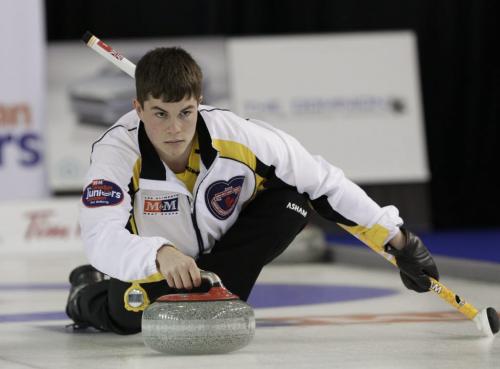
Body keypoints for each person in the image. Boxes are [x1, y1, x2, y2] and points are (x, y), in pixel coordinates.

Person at [66, 47, 439, 334]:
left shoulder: (240, 136)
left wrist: (398, 239)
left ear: (199, 104)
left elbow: (325, 181)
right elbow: (101, 237)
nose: (175, 129)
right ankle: (85, 292)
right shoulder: (116, 153)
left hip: (225, 249)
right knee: (132, 318)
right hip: (155, 260)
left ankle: (215, 293)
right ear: (138, 108)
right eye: (160, 113)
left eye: (185, 112)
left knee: (295, 198)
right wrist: (159, 254)